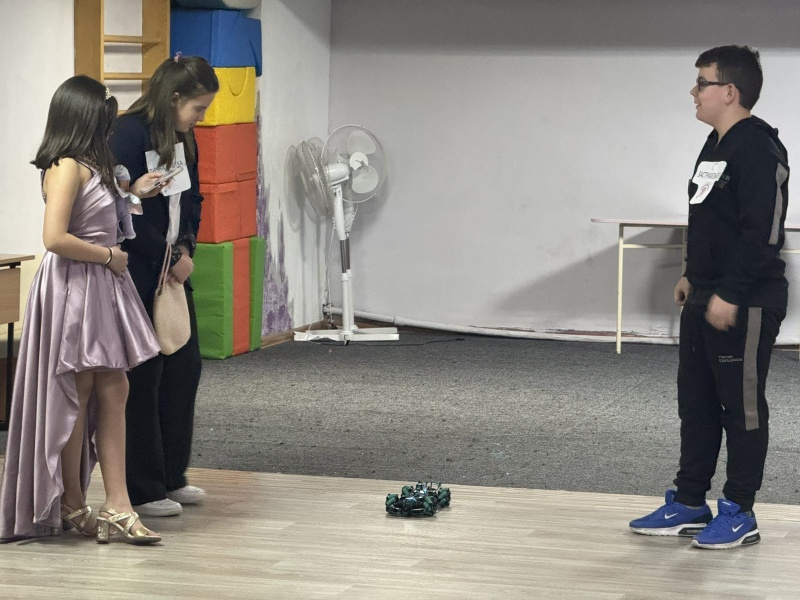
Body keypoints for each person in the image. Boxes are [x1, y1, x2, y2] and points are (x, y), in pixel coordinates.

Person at [629, 46, 789, 549]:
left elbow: (763, 232)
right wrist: (690, 274)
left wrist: (730, 293)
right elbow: (705, 217)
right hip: (704, 294)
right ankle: (689, 502)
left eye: (702, 83)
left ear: (730, 91)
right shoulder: (713, 145)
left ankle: (740, 510)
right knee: (695, 403)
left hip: (746, 300)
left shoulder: (758, 147)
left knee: (741, 409)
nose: (693, 92)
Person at [0, 76, 166, 544]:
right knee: (79, 391)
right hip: (75, 284)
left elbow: (101, 218)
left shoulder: (94, 164)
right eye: (104, 116)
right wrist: (109, 256)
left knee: (113, 387)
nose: (110, 124)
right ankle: (75, 500)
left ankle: (115, 503)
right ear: (83, 116)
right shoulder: (65, 166)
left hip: (99, 283)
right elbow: (54, 238)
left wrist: (133, 197)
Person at [109, 55, 219, 517]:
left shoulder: (183, 135)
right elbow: (120, 206)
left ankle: (173, 476)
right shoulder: (128, 133)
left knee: (184, 368)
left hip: (173, 269)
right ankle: (144, 487)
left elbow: (192, 197)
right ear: (173, 98)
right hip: (138, 268)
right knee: (144, 375)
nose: (201, 118)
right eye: (198, 108)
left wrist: (186, 247)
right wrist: (167, 256)